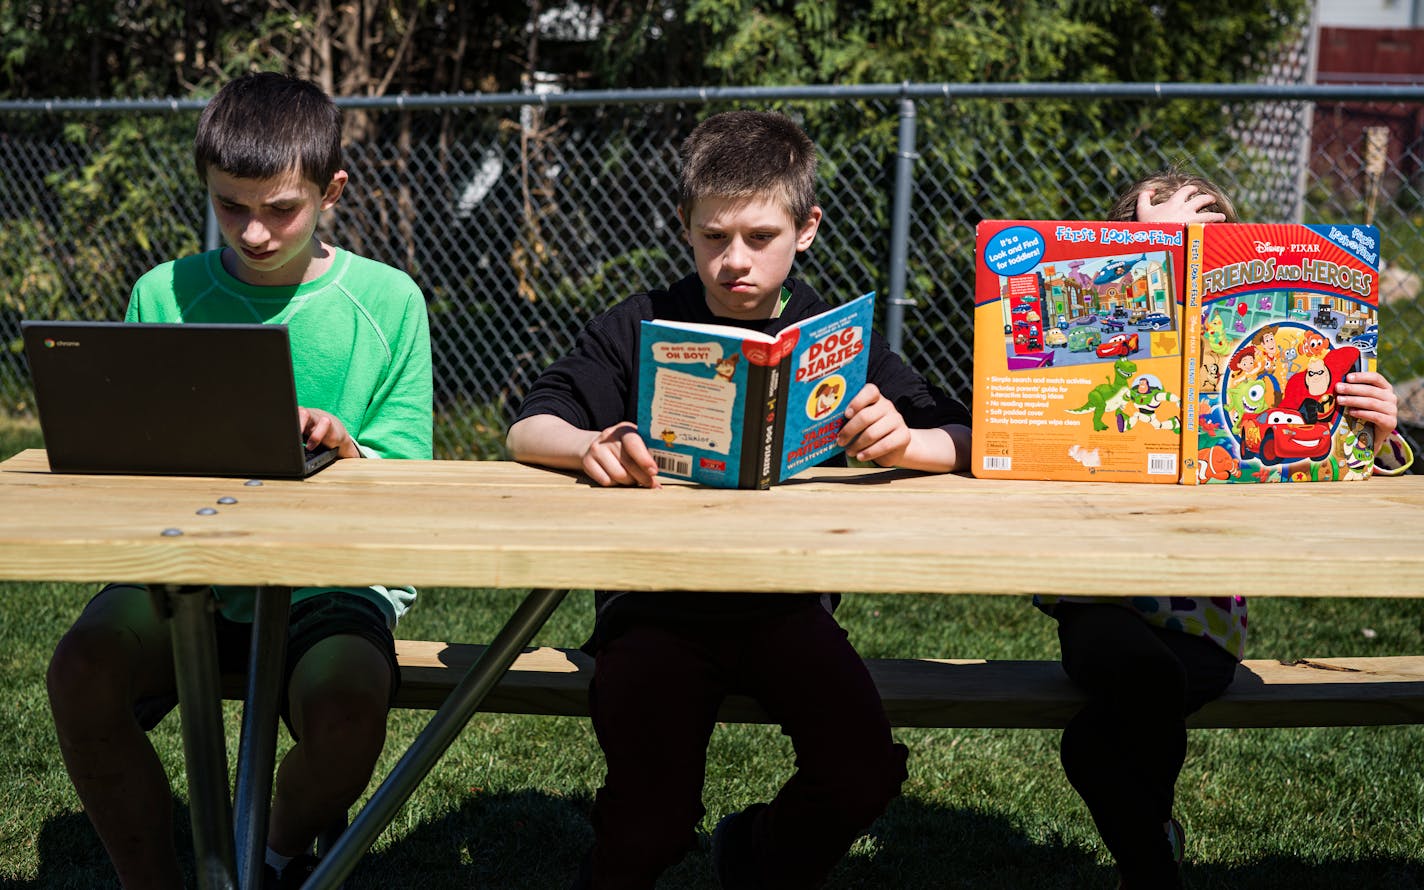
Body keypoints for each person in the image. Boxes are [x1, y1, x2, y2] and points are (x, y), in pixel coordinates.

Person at [507, 109, 972, 889]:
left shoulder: (837, 337)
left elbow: (957, 431)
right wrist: (589, 444)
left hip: (785, 606)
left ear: (808, 227)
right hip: (654, 609)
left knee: (862, 774)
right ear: (684, 226)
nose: (734, 262)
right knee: (646, 826)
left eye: (760, 238)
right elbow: (529, 424)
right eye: (712, 237)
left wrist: (906, 441)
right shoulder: (639, 322)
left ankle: (753, 856)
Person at [45, 72, 433, 890]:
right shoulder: (165, 292)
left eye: (281, 209)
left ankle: (277, 855)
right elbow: (124, 456)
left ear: (333, 190)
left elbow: (412, 477)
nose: (255, 233)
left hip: (330, 577)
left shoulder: (387, 302)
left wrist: (348, 447)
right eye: (231, 207)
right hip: (187, 567)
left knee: (348, 708)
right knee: (82, 668)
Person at [1035, 168, 1410, 889]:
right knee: (1138, 683)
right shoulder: (1084, 340)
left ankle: (1144, 834)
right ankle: (1154, 863)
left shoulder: (1268, 357)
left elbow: (1346, 464)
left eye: (1198, 249)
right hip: (1103, 598)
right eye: (1159, 247)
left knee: (1113, 725)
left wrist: (1378, 429)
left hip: (1205, 613)